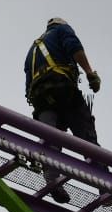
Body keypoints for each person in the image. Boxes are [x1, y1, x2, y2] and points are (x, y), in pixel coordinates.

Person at [23, 18, 101, 202]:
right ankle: (106, 186)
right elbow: (74, 47)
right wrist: (90, 73)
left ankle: (52, 177)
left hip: (41, 98)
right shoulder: (62, 31)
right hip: (61, 88)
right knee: (87, 138)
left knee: (51, 139)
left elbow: (27, 83)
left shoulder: (32, 50)